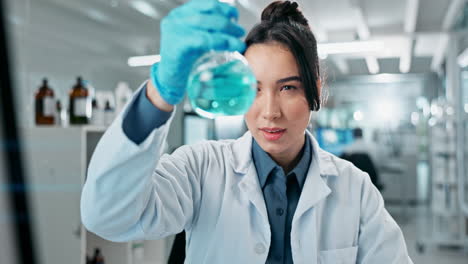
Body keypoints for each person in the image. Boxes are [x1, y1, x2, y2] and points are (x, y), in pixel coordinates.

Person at [80, 0, 413, 263]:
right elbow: (107, 215)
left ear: (316, 89)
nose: (269, 111)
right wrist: (160, 92)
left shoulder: (354, 188)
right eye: (254, 89)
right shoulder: (200, 169)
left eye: (287, 88)